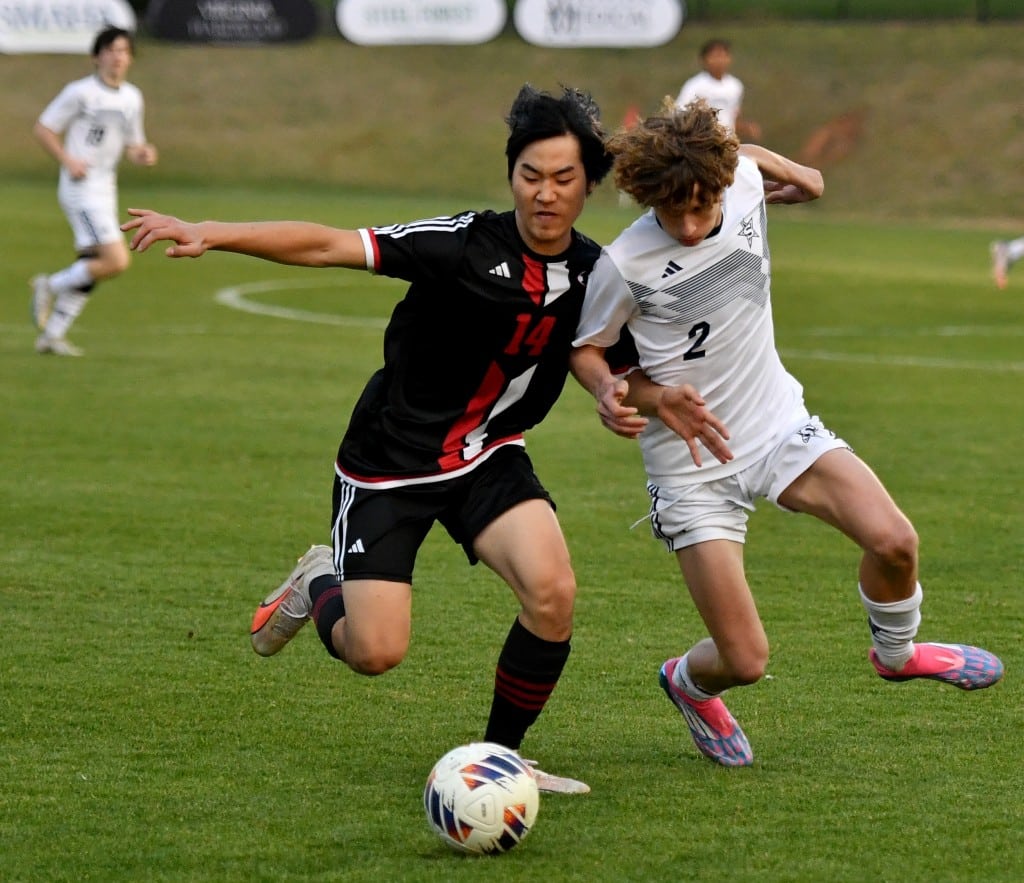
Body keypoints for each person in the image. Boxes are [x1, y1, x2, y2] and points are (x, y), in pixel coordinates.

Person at [121, 85, 627, 794]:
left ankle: (497, 763)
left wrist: (608, 391)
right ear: (511, 173)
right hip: (390, 462)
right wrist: (212, 229)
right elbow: (330, 244)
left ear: (589, 184)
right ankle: (316, 579)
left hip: (487, 453)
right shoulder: (460, 244)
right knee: (375, 652)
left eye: (564, 178)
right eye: (530, 175)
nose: (545, 194)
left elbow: (595, 353)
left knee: (554, 593)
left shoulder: (598, 273)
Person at [569, 98, 1003, 768]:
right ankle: (687, 683)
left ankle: (898, 655)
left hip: (778, 428)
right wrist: (620, 394)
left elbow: (749, 158)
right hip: (692, 467)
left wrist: (807, 177)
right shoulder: (624, 263)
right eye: (671, 212)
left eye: (700, 207)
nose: (689, 226)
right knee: (745, 660)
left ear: (719, 184)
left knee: (896, 542)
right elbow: (587, 351)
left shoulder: (740, 180)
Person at [30, 25, 158, 357]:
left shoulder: (132, 97)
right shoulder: (80, 92)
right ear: (96, 56)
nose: (118, 57)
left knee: (91, 263)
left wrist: (143, 154)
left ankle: (52, 336)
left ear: (131, 58)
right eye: (111, 50)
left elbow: (134, 144)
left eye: (124, 51)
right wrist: (68, 160)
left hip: (106, 188)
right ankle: (49, 285)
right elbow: (44, 128)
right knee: (116, 260)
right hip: (80, 188)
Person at [675, 38, 762, 141]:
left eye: (723, 56)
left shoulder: (735, 85)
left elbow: (732, 117)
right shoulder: (695, 85)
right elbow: (680, 113)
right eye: (715, 56)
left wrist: (746, 128)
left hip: (727, 141)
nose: (719, 60)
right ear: (704, 60)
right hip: (703, 142)